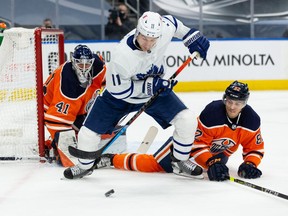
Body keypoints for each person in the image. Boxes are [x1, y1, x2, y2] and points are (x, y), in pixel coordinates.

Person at [63, 11, 210, 179]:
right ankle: (85, 166)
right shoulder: (122, 55)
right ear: (138, 32)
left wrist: (191, 37)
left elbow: (175, 24)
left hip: (155, 92)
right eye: (144, 38)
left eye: (152, 40)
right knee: (87, 135)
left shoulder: (163, 30)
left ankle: (179, 161)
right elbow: (119, 90)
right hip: (118, 98)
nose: (147, 44)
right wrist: (150, 85)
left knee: (187, 119)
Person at [93, 81, 264, 181]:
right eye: (230, 101)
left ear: (245, 103)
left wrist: (250, 164)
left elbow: (254, 148)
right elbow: (196, 144)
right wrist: (210, 162)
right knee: (155, 165)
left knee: (218, 167)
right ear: (225, 99)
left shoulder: (251, 120)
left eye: (238, 103)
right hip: (185, 145)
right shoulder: (213, 113)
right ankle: (112, 159)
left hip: (216, 154)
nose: (232, 106)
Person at [44, 44, 106, 167]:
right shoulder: (67, 82)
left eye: (87, 64)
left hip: (78, 109)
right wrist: (65, 146)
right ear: (73, 62)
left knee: (99, 128)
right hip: (52, 107)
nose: (83, 68)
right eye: (79, 64)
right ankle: (50, 146)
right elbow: (56, 121)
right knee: (71, 160)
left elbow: (108, 82)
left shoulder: (98, 66)